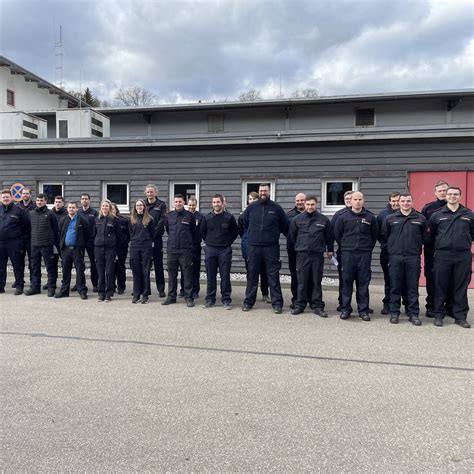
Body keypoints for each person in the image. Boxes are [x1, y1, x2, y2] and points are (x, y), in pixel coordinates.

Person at [428, 187, 473, 328]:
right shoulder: (437, 215)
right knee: (440, 285)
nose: (452, 196)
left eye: (455, 194)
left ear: (460, 197)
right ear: (445, 196)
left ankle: (460, 316)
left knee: (461, 286)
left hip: (463, 255)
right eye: (450, 194)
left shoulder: (469, 215)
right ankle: (438, 315)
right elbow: (431, 235)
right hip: (443, 255)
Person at [241, 183, 288, 314]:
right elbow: (245, 223)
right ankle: (248, 302)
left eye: (265, 191)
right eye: (261, 191)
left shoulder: (276, 208)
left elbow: (285, 226)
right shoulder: (251, 208)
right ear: (258, 192)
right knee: (252, 276)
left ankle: (277, 303)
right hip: (254, 247)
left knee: (273, 275)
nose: (263, 193)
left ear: (269, 192)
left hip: (271, 247)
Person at [381, 193, 426, 325]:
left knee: (412, 287)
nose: (405, 203)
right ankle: (394, 313)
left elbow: (426, 237)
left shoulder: (421, 218)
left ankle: (413, 314)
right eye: (403, 201)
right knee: (395, 286)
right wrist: (392, 249)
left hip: (413, 257)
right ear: (398, 203)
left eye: (408, 201)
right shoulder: (390, 219)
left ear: (412, 202)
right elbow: (384, 236)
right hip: (395, 257)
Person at [334, 191, 378, 321]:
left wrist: (367, 247)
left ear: (363, 201)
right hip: (347, 253)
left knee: (363, 282)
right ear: (350, 201)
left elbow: (374, 235)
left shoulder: (370, 217)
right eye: (355, 199)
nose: (357, 201)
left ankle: (363, 310)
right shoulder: (343, 217)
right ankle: (345, 309)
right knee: (346, 281)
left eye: (360, 199)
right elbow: (337, 234)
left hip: (364, 253)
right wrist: (347, 246)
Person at [289, 196, 333, 317]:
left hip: (317, 255)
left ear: (316, 204)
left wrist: (330, 250)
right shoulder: (297, 219)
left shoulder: (323, 220)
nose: (310, 207)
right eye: (307, 204)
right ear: (304, 204)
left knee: (316, 281)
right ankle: (300, 305)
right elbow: (292, 237)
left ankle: (317, 305)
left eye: (312, 204)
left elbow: (329, 237)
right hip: (302, 255)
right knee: (302, 281)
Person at [201, 194, 239, 309]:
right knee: (210, 276)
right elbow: (202, 232)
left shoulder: (229, 217)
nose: (216, 204)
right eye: (214, 202)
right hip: (211, 249)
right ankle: (210, 299)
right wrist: (209, 244)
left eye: (218, 202)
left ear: (223, 203)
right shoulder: (206, 218)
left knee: (225, 275)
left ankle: (226, 299)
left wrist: (227, 242)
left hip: (225, 250)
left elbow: (235, 232)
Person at [421, 180, 449, 317]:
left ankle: (449, 306)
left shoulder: (457, 208)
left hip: (448, 251)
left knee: (449, 278)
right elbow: (423, 229)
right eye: (440, 191)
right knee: (431, 278)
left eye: (445, 190)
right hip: (431, 251)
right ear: (435, 193)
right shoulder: (428, 209)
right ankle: (431, 306)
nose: (443, 193)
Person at [162, 194, 197, 307]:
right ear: (173, 203)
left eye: (180, 202)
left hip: (185, 250)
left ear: (184, 202)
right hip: (172, 249)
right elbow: (168, 230)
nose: (178, 204)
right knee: (172, 275)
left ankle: (188, 297)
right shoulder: (169, 216)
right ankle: (171, 297)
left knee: (187, 274)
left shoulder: (189, 216)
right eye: (176, 202)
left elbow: (193, 232)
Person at [25, 193, 60, 297]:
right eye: (38, 200)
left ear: (45, 201)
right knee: (34, 267)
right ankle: (35, 287)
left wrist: (55, 244)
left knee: (50, 268)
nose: (39, 202)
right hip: (34, 245)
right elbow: (28, 229)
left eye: (41, 200)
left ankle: (51, 287)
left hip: (47, 245)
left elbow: (55, 230)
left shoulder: (50, 214)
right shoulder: (31, 214)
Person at [55, 201, 91, 299]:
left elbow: (88, 235)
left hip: (77, 250)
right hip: (66, 250)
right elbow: (60, 234)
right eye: (69, 207)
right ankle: (64, 291)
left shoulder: (82, 220)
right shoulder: (63, 220)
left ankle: (82, 290)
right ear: (67, 209)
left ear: (76, 209)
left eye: (73, 207)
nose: (71, 209)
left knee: (80, 271)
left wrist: (83, 247)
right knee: (66, 271)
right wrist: (61, 247)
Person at [238, 192, 269, 303]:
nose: (252, 200)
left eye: (254, 199)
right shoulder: (243, 215)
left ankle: (265, 294)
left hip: (263, 247)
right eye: (250, 199)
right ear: (248, 201)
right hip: (248, 247)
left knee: (264, 271)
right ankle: (250, 295)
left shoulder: (263, 213)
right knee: (250, 273)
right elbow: (241, 231)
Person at [0, 189, 30, 294]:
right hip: (1, 243)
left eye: (7, 197)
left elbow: (26, 226)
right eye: (3, 197)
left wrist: (20, 239)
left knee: (17, 265)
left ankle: (19, 286)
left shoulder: (19, 210)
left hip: (15, 243)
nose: (5, 199)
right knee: (1, 266)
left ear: (11, 198)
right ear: (0, 198)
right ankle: (1, 286)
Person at [377, 192, 401, 314]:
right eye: (393, 200)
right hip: (387, 253)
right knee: (389, 279)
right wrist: (386, 246)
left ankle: (405, 304)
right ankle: (387, 304)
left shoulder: (409, 214)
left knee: (403, 280)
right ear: (390, 201)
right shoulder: (383, 215)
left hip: (403, 253)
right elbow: (379, 234)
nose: (396, 203)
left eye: (398, 200)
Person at [94, 199, 121, 302]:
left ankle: (109, 293)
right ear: (101, 207)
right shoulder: (97, 219)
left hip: (110, 249)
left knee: (109, 271)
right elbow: (93, 233)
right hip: (98, 248)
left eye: (106, 206)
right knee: (100, 272)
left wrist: (116, 249)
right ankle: (101, 293)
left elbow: (118, 236)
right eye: (103, 206)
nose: (104, 208)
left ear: (109, 208)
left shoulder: (114, 219)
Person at [129, 199, 155, 304]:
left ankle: (145, 295)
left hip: (146, 247)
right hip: (135, 246)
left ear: (144, 207)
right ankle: (136, 294)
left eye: (141, 205)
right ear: (135, 207)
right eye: (137, 205)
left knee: (145, 271)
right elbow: (130, 233)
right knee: (136, 271)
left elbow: (152, 233)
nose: (139, 207)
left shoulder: (149, 219)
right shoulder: (131, 219)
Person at [331, 190, 352, 311]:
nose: (349, 200)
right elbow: (334, 233)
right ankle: (342, 303)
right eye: (347, 199)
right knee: (344, 279)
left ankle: (362, 305)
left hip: (360, 252)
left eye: (351, 198)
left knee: (361, 281)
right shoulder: (339, 215)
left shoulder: (365, 214)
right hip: (343, 251)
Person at [144, 184, 167, 297]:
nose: (150, 194)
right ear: (145, 193)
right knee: (146, 265)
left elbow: (162, 221)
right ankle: (146, 289)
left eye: (152, 192)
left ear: (156, 193)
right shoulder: (142, 204)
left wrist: (153, 234)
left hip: (157, 239)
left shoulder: (161, 205)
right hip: (145, 240)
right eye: (148, 192)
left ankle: (161, 289)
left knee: (158, 265)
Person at [286, 192, 306, 309]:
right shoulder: (289, 215)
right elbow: (285, 229)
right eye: (297, 201)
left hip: (307, 250)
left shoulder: (313, 215)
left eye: (302, 200)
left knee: (308, 275)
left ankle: (308, 298)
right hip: (293, 249)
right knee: (295, 274)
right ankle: (296, 299)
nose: (299, 203)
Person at [180, 197, 202, 299]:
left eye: (193, 205)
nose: (191, 207)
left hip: (195, 246)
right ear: (187, 205)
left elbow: (203, 231)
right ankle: (183, 290)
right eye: (189, 205)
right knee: (184, 269)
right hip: (184, 247)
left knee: (195, 269)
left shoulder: (200, 217)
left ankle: (195, 290)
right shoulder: (184, 216)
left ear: (196, 205)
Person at [45, 195, 68, 291]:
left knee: (65, 263)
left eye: (59, 202)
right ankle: (51, 281)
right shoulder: (50, 213)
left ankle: (65, 281)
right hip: (52, 241)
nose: (57, 203)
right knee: (51, 263)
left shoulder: (66, 213)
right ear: (54, 203)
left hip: (63, 242)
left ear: (63, 203)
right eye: (56, 201)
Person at [77, 193, 99, 292]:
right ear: (80, 201)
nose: (84, 200)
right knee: (79, 263)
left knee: (93, 262)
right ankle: (80, 283)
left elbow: (97, 227)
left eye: (86, 199)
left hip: (91, 241)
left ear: (89, 200)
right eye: (82, 199)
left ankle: (95, 283)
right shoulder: (78, 212)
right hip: (80, 241)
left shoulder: (94, 213)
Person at [16, 187, 36, 287]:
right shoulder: (17, 206)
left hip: (31, 237)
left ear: (30, 195)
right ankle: (19, 280)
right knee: (19, 260)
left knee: (32, 260)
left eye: (27, 193)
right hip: (19, 238)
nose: (25, 195)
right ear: (21, 195)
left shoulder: (35, 206)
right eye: (23, 193)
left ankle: (33, 280)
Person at [112, 203, 130, 295]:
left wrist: (125, 242)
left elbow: (129, 234)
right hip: (110, 248)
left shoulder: (124, 220)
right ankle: (112, 286)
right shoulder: (106, 220)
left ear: (116, 210)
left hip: (121, 248)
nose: (112, 210)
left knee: (120, 267)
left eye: (113, 209)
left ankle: (121, 286)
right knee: (111, 267)